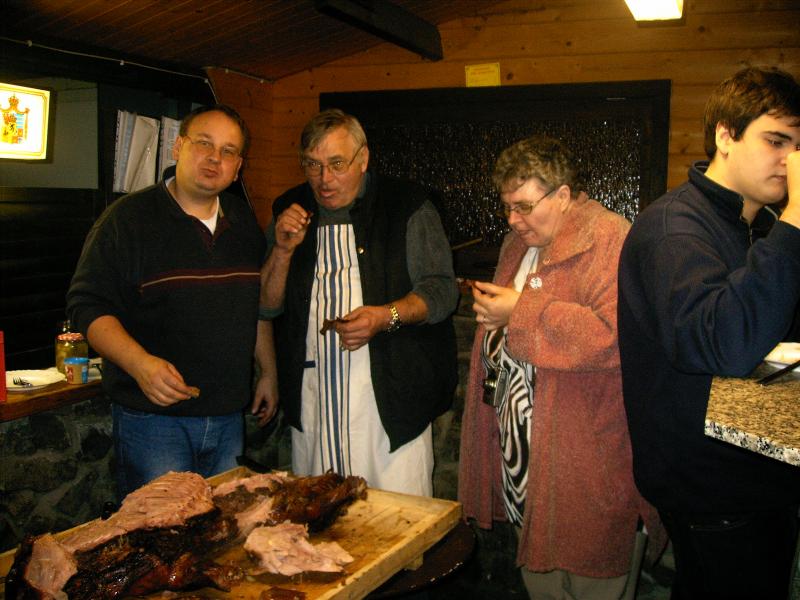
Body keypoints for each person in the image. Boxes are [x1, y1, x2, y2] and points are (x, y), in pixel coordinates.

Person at [618, 66, 800, 600]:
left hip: (762, 476)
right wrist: (796, 222)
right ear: (725, 135)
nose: (790, 160)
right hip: (716, 494)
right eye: (776, 141)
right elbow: (721, 342)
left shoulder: (758, 228)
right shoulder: (674, 227)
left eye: (799, 147)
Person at [458, 135, 662, 600]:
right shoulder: (517, 245)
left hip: (586, 467)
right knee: (542, 586)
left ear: (564, 194)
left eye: (524, 206)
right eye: (507, 206)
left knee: (592, 581)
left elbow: (616, 340)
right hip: (526, 467)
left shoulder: (610, 239)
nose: (513, 220)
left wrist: (520, 310)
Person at [67, 104, 276, 499]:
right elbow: (86, 306)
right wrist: (140, 364)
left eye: (228, 151)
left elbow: (255, 305)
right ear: (178, 147)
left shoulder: (244, 223)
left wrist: (268, 370)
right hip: (153, 422)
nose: (214, 158)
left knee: (225, 529)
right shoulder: (127, 220)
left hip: (228, 417)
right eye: (204, 144)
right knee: (161, 531)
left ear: (238, 167)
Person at [258, 108, 458, 496]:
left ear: (363, 158)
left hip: (392, 403)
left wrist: (386, 316)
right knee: (321, 512)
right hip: (315, 400)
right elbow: (266, 305)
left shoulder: (407, 205)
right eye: (312, 165)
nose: (324, 179)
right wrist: (282, 251)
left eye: (337, 164)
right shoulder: (289, 208)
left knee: (399, 517)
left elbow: (441, 291)